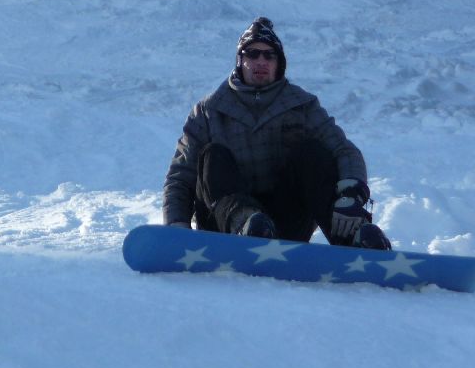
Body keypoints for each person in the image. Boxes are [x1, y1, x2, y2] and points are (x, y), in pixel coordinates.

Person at [162, 17, 392, 249]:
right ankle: (246, 224)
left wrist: (351, 196)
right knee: (213, 156)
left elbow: (344, 150)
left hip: (284, 225)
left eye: (269, 55)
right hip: (224, 230)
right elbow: (180, 175)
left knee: (311, 153)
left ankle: (354, 240)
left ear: (279, 63)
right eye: (253, 54)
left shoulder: (302, 106)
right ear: (240, 60)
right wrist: (176, 226)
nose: (261, 61)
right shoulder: (208, 111)